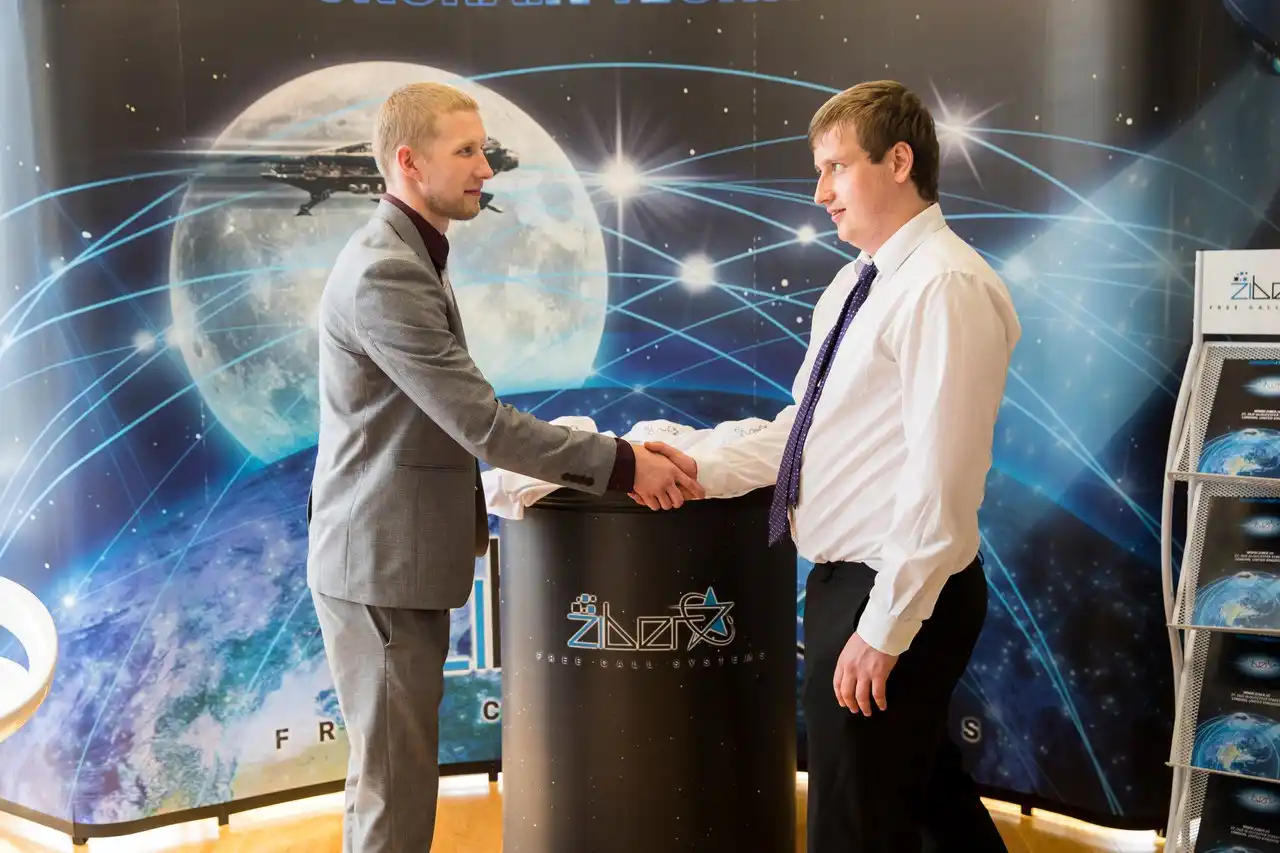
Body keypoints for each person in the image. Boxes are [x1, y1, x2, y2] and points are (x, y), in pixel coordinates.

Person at [305, 81, 703, 853]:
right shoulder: (386, 273)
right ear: (409, 162)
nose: (486, 167)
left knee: (387, 776)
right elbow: (482, 423)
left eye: (482, 149)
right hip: (377, 570)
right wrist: (622, 465)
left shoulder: (411, 253)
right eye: (467, 150)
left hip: (383, 561)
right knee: (393, 788)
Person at [644, 80, 1019, 852]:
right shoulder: (858, 280)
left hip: (899, 586)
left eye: (836, 168)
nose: (821, 193)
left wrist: (884, 626)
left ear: (900, 161)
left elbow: (942, 481)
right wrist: (699, 463)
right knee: (921, 796)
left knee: (855, 822)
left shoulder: (945, 285)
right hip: (854, 582)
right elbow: (806, 432)